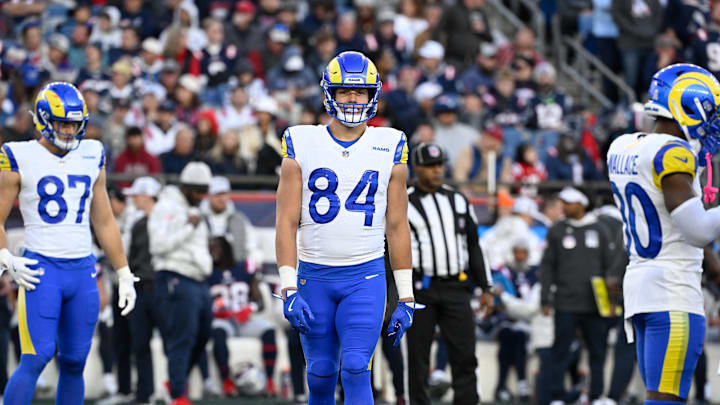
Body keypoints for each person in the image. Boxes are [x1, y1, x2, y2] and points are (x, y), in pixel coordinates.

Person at [274, 51, 418, 405]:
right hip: (314, 276)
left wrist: (407, 295)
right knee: (320, 372)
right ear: (329, 93)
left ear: (373, 95)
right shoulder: (301, 140)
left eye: (360, 92)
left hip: (365, 276)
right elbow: (286, 221)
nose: (353, 99)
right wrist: (289, 286)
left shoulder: (390, 144)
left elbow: (398, 227)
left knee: (355, 367)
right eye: (344, 91)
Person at [0, 82, 139, 404]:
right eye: (62, 122)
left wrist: (123, 272)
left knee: (75, 361)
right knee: (35, 357)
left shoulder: (93, 153)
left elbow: (103, 219)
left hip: (82, 269)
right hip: (41, 268)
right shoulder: (17, 155)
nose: (68, 130)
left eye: (75, 123)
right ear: (44, 120)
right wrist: (6, 257)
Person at [606, 63, 720, 405]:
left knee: (658, 397)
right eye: (712, 112)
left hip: (641, 287)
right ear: (689, 105)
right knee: (665, 401)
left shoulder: (623, 146)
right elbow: (698, 230)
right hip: (673, 292)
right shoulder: (672, 153)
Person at [404, 142, 494, 405]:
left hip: (457, 287)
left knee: (465, 355)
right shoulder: (404, 201)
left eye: (440, 165)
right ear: (417, 167)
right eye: (430, 166)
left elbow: (474, 245)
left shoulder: (457, 199)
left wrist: (486, 288)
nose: (437, 171)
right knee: (418, 358)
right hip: (421, 287)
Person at [541, 187, 619, 405]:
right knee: (560, 350)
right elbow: (547, 267)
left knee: (598, 351)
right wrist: (545, 298)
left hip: (594, 304)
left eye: (569, 202)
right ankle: (556, 395)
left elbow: (610, 267)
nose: (564, 206)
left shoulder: (600, 230)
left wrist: (613, 301)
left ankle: (596, 395)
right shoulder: (556, 231)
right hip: (565, 301)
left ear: (582, 204)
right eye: (563, 202)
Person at [148, 162, 213, 405]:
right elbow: (158, 245)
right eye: (200, 191)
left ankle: (174, 382)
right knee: (182, 338)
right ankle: (177, 394)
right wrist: (188, 227)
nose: (203, 197)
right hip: (175, 275)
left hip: (198, 278)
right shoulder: (166, 207)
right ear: (187, 188)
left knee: (202, 335)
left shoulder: (195, 209)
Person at [123, 176, 162, 405]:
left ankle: (173, 391)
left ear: (147, 195)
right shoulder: (137, 224)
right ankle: (144, 394)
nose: (134, 199)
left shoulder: (166, 220)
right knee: (140, 344)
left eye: (137, 194)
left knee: (171, 342)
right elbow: (132, 258)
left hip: (161, 288)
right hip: (142, 288)